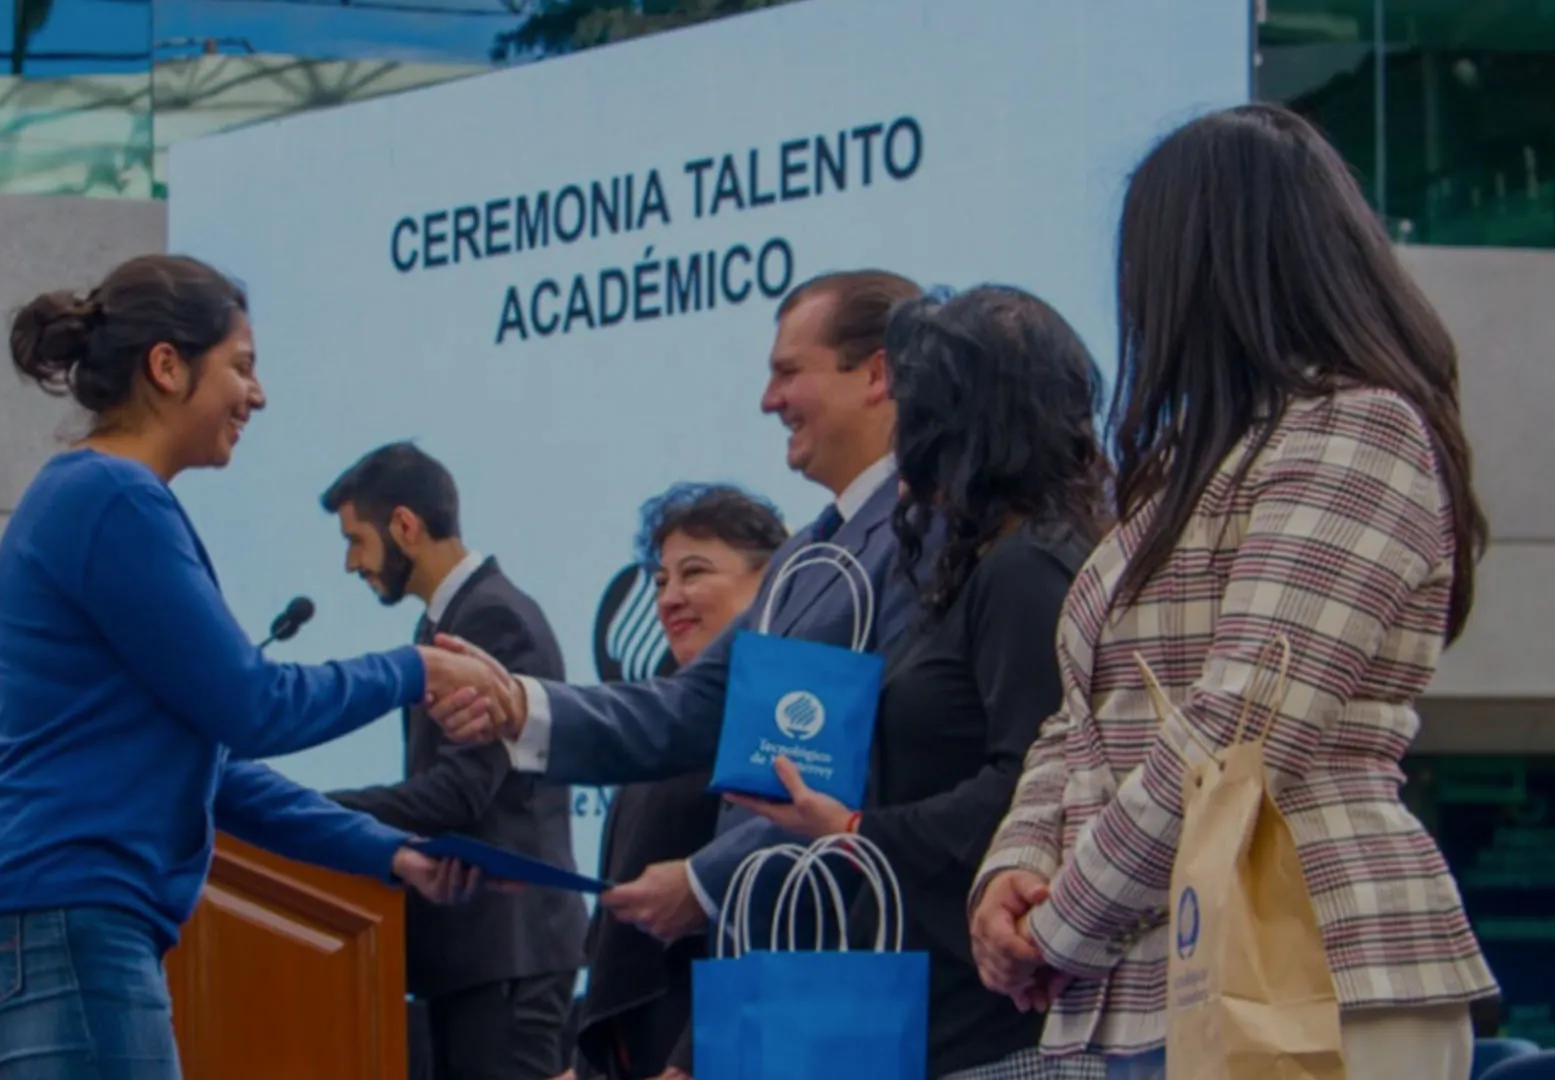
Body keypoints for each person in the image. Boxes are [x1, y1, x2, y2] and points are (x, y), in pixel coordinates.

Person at [967, 103, 1498, 1080]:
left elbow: (1244, 729)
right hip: (1138, 993)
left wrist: (1063, 921)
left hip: (1317, 965)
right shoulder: (1179, 472)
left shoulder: (1358, 428)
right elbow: (1078, 723)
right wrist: (1015, 874)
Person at [0, 254, 508, 1080]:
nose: (259, 394)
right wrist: (415, 671)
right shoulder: (113, 499)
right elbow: (252, 703)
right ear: (167, 367)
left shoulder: (100, 498)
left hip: (50, 914)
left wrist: (386, 852)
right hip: (66, 914)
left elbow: (218, 764)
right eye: (243, 367)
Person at [431, 269, 926, 1079]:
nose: (769, 400)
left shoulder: (922, 533)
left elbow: (865, 771)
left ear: (876, 374)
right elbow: (691, 710)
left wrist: (702, 879)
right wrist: (518, 704)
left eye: (787, 372)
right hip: (758, 970)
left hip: (849, 964)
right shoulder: (810, 555)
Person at [731, 285, 1108, 1080]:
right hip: (934, 1008)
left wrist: (856, 830)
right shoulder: (983, 564)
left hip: (994, 1025)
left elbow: (1029, 785)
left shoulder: (1029, 568)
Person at [322, 441, 588, 1080]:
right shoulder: (447, 622)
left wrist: (311, 811)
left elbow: (460, 792)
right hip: (475, 950)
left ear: (405, 527)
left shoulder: (491, 618)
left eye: (356, 540)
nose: (350, 563)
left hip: (508, 947)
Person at [565, 483, 788, 1080]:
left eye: (694, 573)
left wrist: (692, 1057)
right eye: (660, 581)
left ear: (771, 582)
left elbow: (774, 894)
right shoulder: (662, 721)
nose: (670, 600)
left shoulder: (779, 713)